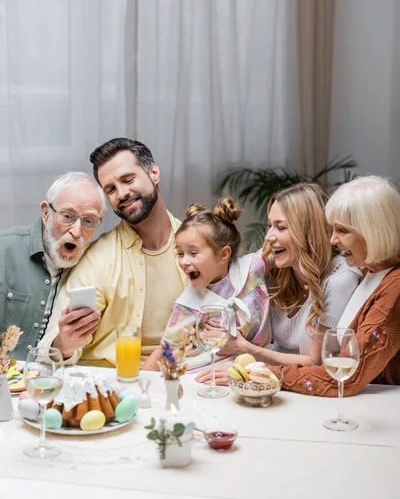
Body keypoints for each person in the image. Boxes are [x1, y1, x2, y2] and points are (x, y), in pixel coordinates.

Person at [197, 176, 400, 395]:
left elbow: (343, 377)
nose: (332, 240)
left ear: (373, 232)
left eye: (342, 231)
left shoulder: (386, 286)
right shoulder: (369, 272)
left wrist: (258, 374)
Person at [39, 138, 187, 367]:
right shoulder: (99, 258)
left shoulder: (197, 244)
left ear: (154, 173)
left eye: (128, 180)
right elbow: (50, 346)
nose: (122, 193)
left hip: (179, 379)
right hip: (112, 386)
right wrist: (64, 344)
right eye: (110, 189)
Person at [143, 198, 271, 371]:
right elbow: (166, 349)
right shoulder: (188, 304)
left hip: (260, 366)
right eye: (180, 253)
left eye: (193, 253)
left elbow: (285, 244)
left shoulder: (252, 269)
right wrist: (140, 383)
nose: (184, 262)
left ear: (223, 254)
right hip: (205, 376)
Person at [0, 172, 106, 359]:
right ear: (46, 212)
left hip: (45, 380)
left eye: (88, 221)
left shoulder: (88, 268)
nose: (75, 231)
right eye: (68, 216)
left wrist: (66, 345)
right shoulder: (4, 249)